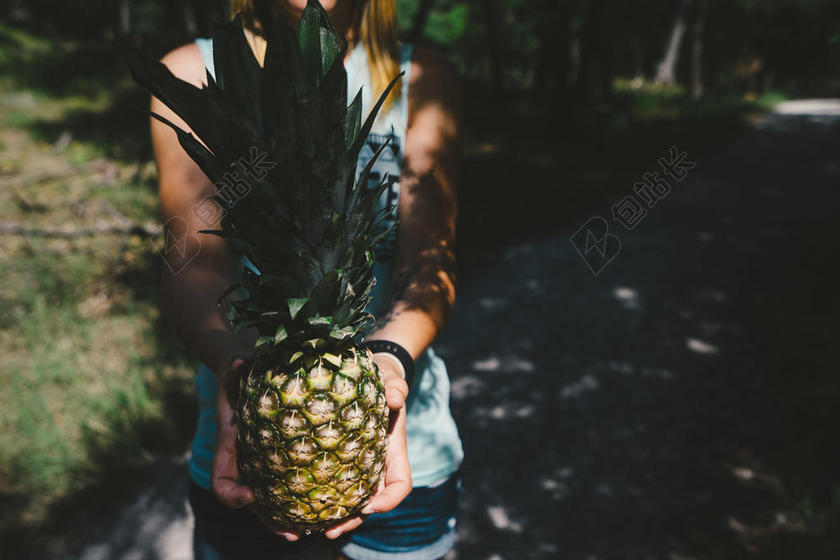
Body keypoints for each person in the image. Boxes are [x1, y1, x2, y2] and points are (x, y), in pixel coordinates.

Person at [149, 0, 464, 558]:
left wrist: (389, 357)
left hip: (408, 446)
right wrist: (232, 361)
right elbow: (190, 263)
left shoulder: (421, 78)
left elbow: (429, 260)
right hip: (249, 440)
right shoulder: (193, 72)